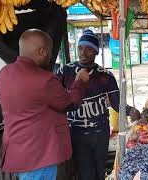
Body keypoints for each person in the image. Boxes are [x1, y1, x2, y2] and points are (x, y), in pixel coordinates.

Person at [0, 29, 90, 180]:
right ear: (41, 51)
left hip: (19, 151)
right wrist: (79, 82)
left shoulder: (4, 74)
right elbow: (70, 103)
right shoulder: (43, 80)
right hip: (39, 154)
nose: (51, 56)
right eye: (50, 52)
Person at [56, 30, 140, 180]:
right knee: (85, 172)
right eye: (80, 47)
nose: (83, 52)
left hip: (100, 132)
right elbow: (56, 99)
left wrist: (130, 110)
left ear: (95, 51)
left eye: (88, 49)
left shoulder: (105, 75)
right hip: (76, 132)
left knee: (99, 170)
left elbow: (116, 103)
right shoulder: (65, 71)